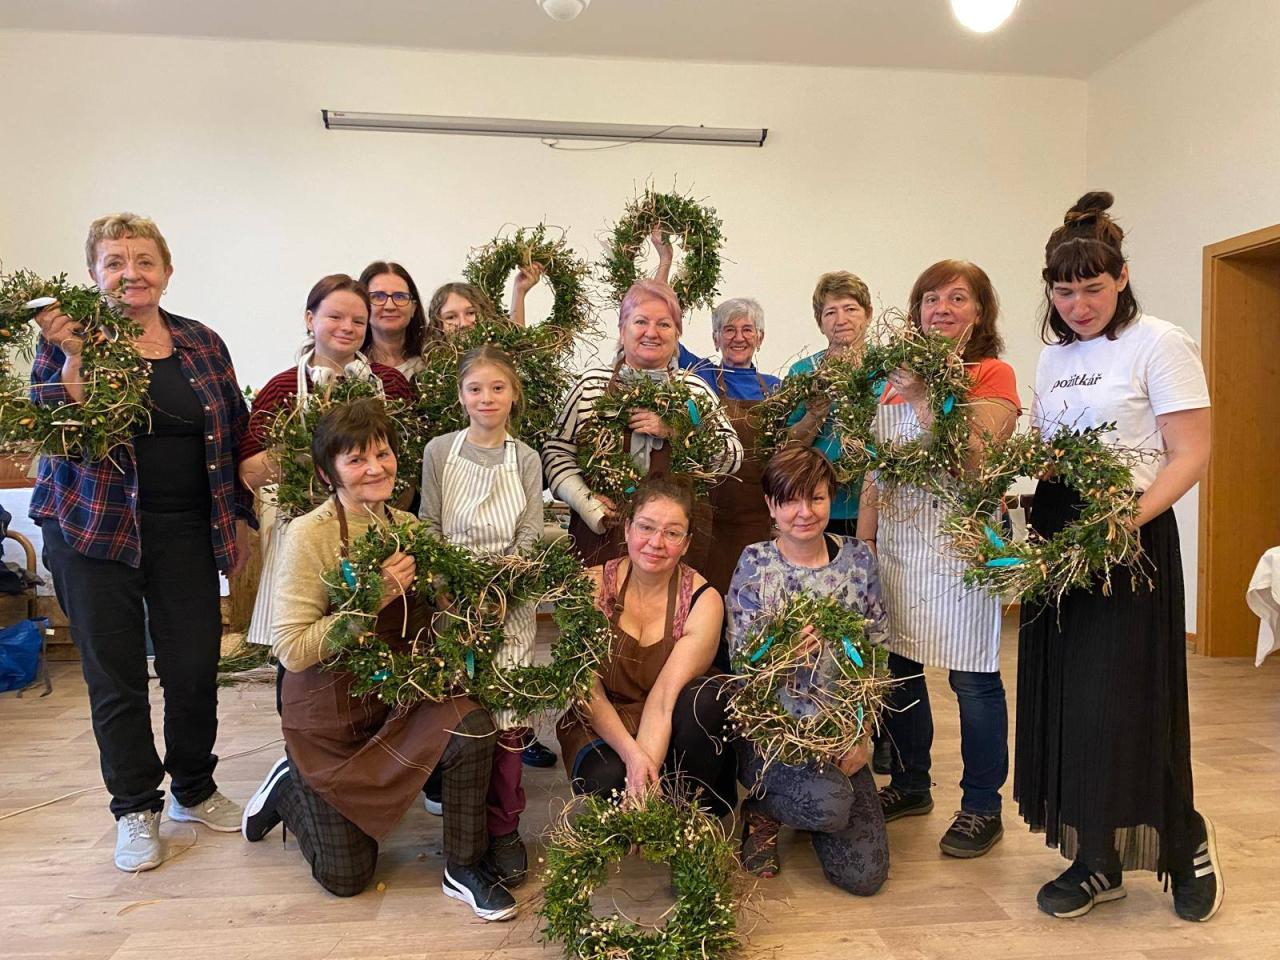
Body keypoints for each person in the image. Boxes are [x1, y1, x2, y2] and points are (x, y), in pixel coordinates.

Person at [1015, 192, 1219, 921]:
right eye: (1063, 292)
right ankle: (1095, 858)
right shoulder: (1054, 355)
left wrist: (1119, 523)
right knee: (1071, 702)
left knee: (1128, 700)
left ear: (1123, 276)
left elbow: (1190, 454)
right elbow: (1046, 449)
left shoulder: (1160, 343)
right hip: (1058, 537)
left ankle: (1183, 841)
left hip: (1128, 534)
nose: (1078, 306)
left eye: (1093, 289)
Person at [31, 213, 253, 872]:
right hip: (92, 530)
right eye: (115, 262)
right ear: (93, 274)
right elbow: (64, 430)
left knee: (193, 667)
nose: (131, 273)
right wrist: (75, 357)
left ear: (167, 271)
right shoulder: (68, 342)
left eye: (145, 260)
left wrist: (239, 520)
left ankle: (194, 788)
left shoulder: (201, 343)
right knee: (116, 676)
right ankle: (134, 807)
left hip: (186, 530)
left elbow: (234, 432)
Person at [240, 399, 515, 920]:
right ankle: (289, 788)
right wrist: (372, 598)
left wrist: (464, 603)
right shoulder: (310, 534)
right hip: (330, 715)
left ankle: (464, 866)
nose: (375, 469)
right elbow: (292, 649)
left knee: (472, 725)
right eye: (356, 460)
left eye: (382, 454)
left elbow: (439, 607)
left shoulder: (409, 528)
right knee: (347, 879)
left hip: (399, 699)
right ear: (329, 473)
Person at [857, 260, 1020, 859]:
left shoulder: (992, 374)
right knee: (900, 671)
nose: (942, 309)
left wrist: (927, 399)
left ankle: (981, 805)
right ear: (917, 310)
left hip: (961, 550)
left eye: (957, 298)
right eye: (931, 299)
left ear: (980, 311)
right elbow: (876, 469)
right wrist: (866, 546)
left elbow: (975, 462)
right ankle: (910, 784)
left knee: (972, 680)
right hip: (900, 549)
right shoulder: (893, 378)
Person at [727, 446, 889, 894]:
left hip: (842, 733)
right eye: (790, 501)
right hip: (776, 736)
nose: (805, 513)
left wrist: (862, 735)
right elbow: (742, 665)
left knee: (865, 877)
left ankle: (817, 807)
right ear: (771, 505)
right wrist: (782, 655)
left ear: (831, 499)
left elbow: (876, 651)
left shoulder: (857, 559)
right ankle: (763, 810)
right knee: (831, 805)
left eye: (816, 498)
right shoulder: (755, 563)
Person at [237, 274, 415, 658]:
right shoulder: (283, 389)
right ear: (309, 319)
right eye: (335, 317)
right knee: (300, 643)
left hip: (374, 529)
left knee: (375, 638)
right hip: (306, 534)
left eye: (358, 320)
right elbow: (249, 471)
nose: (347, 327)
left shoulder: (391, 384)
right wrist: (314, 448)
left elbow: (408, 462)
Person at [418, 346, 544, 887]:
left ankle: (504, 826)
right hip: (452, 602)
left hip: (510, 599)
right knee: (462, 709)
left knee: (508, 710)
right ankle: (465, 828)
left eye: (497, 388)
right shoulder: (439, 451)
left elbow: (531, 530)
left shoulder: (527, 458)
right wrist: (446, 591)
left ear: (513, 395)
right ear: (461, 396)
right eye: (475, 389)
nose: (486, 398)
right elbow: (428, 523)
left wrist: (504, 585)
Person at [555, 475, 734, 816]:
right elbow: (586, 689)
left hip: (673, 719)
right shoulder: (591, 587)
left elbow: (664, 698)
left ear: (686, 542)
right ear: (627, 529)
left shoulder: (702, 600)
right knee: (610, 779)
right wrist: (634, 758)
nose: (656, 543)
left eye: (672, 533)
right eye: (646, 527)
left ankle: (688, 811)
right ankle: (643, 798)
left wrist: (643, 770)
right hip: (604, 716)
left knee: (706, 699)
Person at [542, 279, 743, 568]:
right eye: (640, 322)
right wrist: (585, 501)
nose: (652, 332)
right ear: (622, 329)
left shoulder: (695, 391)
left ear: (677, 334)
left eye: (664, 324)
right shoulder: (591, 387)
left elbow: (732, 456)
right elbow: (556, 452)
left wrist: (678, 432)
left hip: (672, 550)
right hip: (600, 541)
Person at [689, 298, 782, 599]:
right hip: (709, 518)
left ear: (760, 338)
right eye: (729, 330)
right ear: (715, 338)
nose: (738, 337)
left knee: (752, 598)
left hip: (756, 517)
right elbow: (665, 324)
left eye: (747, 329)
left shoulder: (776, 388)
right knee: (705, 599)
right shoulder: (700, 377)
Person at [783, 271, 874, 536]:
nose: (841, 320)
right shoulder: (803, 372)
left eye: (850, 309)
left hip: (879, 507)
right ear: (820, 322)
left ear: (868, 314)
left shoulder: (889, 370)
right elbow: (786, 446)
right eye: (830, 312)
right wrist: (813, 416)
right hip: (818, 510)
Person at [359, 260, 429, 379]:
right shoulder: (350, 366)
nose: (389, 306)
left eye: (400, 296)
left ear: (413, 308)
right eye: (378, 296)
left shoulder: (432, 364)